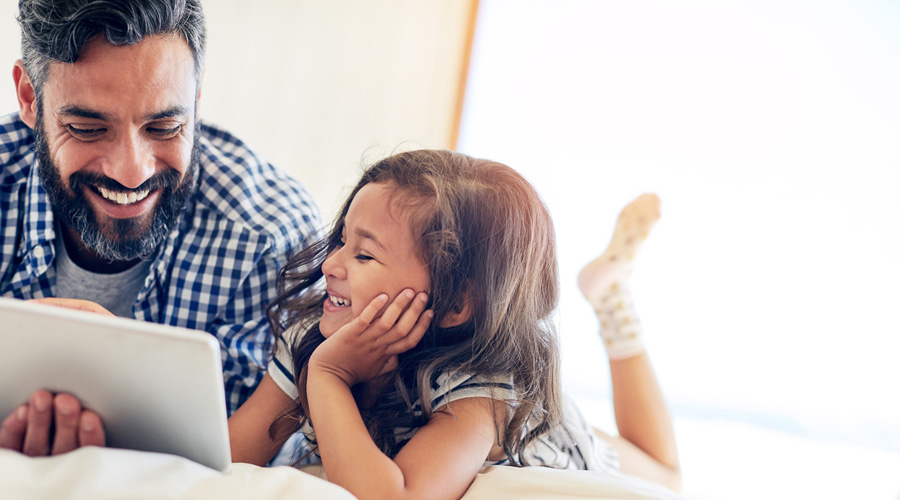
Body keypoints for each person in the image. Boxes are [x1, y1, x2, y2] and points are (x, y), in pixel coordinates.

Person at [227, 150, 680, 500]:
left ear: (455, 303)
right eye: (342, 241)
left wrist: (328, 377)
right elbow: (232, 453)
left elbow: (396, 495)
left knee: (668, 476)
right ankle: (608, 292)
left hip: (558, 439)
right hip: (529, 409)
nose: (330, 264)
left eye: (364, 255)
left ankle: (610, 298)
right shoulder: (313, 338)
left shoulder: (481, 395)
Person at [0, 0, 320, 457]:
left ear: (197, 96)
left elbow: (252, 461)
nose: (131, 172)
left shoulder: (269, 239)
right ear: (30, 99)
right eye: (88, 128)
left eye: (165, 125)